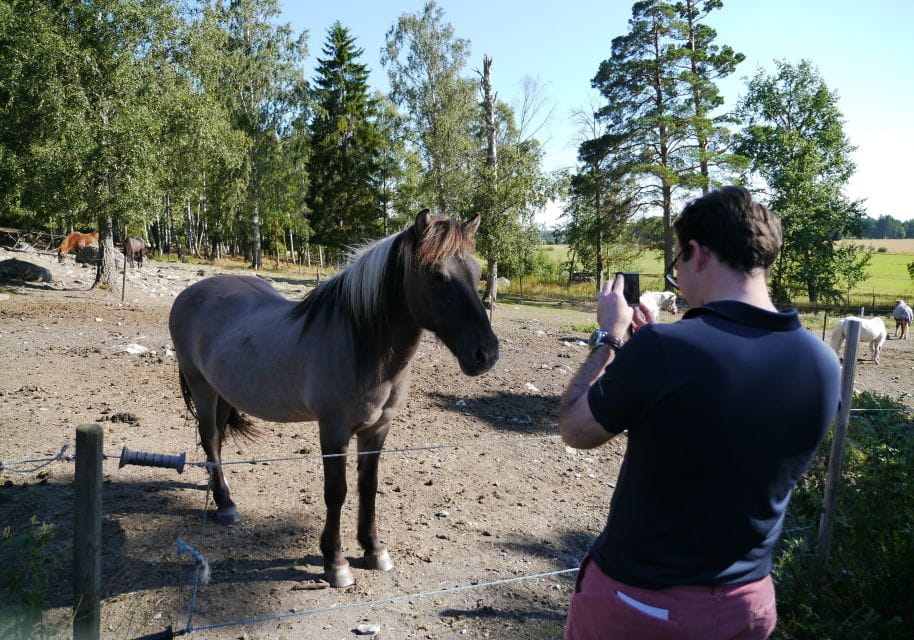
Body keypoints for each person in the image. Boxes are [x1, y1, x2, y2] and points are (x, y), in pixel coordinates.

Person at [558, 186, 841, 640]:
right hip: (749, 604)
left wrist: (609, 339)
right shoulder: (822, 362)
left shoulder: (666, 349)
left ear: (697, 252)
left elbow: (575, 427)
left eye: (676, 263)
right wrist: (651, 354)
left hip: (642, 606)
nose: (677, 277)